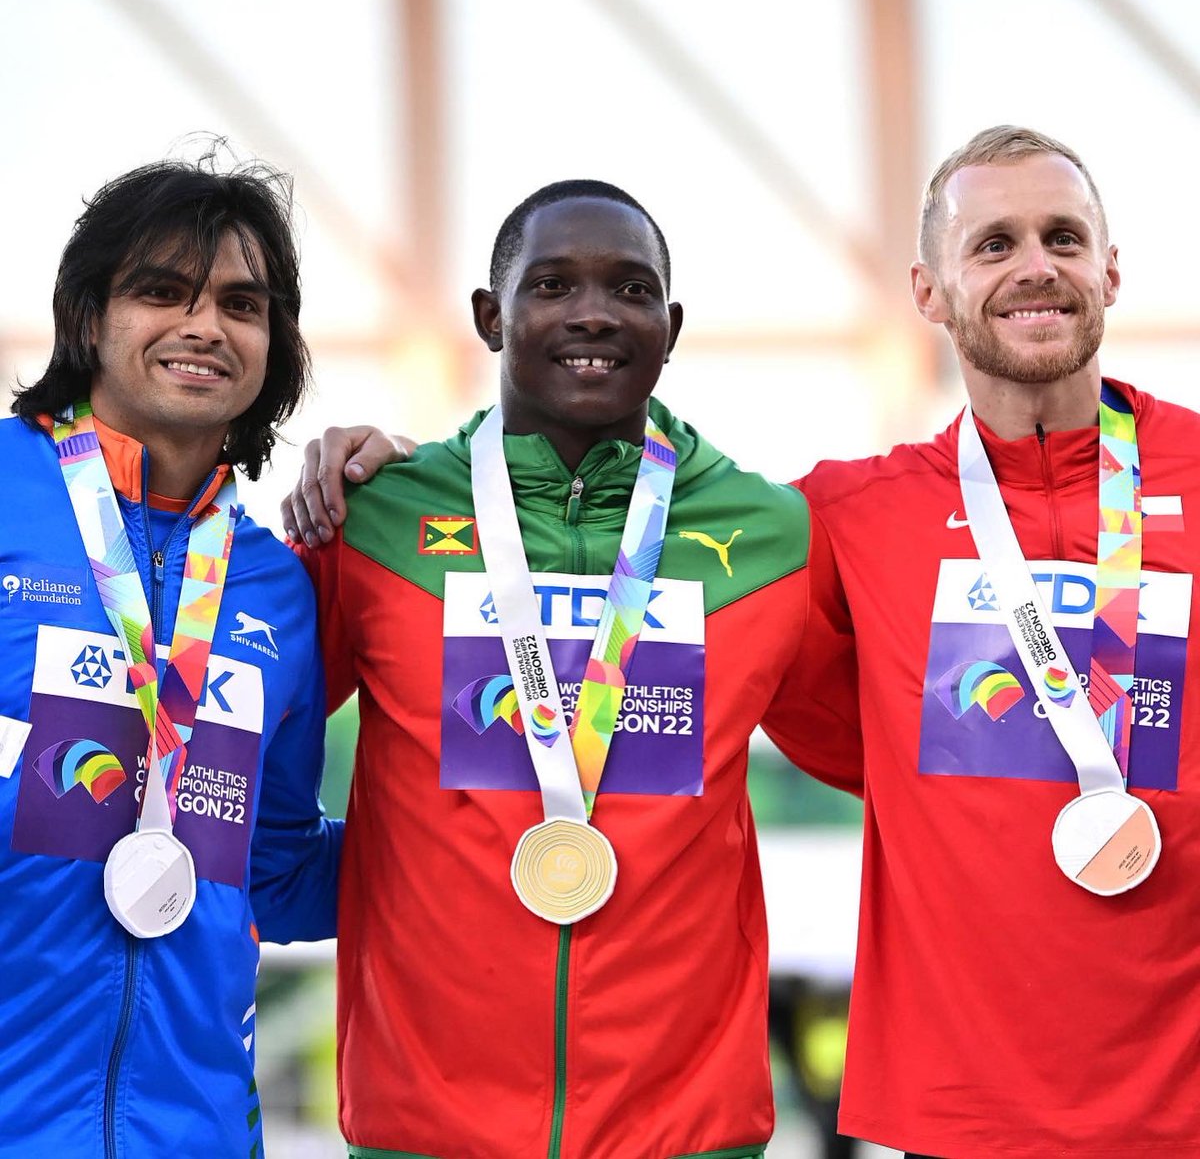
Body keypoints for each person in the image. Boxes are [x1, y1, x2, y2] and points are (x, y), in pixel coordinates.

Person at [294, 179, 859, 1159]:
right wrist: (327, 883)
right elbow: (250, 730)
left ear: (671, 326)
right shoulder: (375, 522)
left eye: (630, 289)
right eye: (551, 285)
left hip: (688, 1131)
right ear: (489, 316)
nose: (593, 313)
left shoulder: (772, 536)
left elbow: (882, 749)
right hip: (422, 1126)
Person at [766, 125, 1200, 1157]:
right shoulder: (846, 517)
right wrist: (421, 473)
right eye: (993, 243)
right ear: (931, 290)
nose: (1036, 267)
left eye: (1063, 236)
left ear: (1110, 270)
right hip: (957, 1116)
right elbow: (603, 543)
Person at [0, 158, 341, 1157]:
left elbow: (274, 871)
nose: (204, 327)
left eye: (241, 304)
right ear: (85, 318)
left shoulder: (274, 584)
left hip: (190, 1134)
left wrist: (477, 837)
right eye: (161, 291)